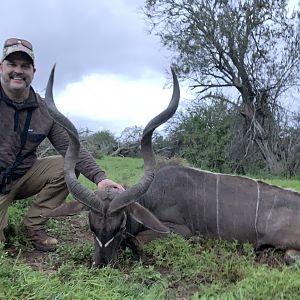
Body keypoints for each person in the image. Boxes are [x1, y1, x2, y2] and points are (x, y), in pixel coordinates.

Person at [0, 38, 124, 251]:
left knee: (68, 165)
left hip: (21, 177)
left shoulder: (44, 109)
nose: (18, 71)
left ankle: (33, 226)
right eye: (12, 64)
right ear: (1, 67)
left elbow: (71, 147)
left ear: (33, 71)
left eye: (25, 66)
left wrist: (100, 178)